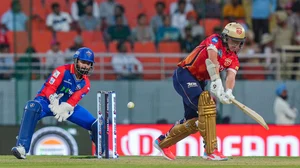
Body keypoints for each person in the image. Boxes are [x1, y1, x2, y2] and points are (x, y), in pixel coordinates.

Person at [153, 22, 246, 161]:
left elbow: (231, 76)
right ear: (225, 37)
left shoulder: (233, 58)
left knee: (192, 121)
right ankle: (211, 151)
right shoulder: (214, 40)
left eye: (239, 43)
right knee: (207, 109)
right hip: (185, 74)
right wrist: (216, 81)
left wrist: (229, 91)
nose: (236, 46)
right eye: (233, 41)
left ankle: (162, 142)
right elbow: (212, 60)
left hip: (200, 82)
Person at [11, 47, 103, 159]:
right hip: (45, 101)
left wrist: (65, 107)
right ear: (76, 60)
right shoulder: (62, 71)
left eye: (88, 63)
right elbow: (49, 88)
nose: (85, 66)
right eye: (83, 62)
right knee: (31, 107)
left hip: (65, 106)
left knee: (96, 124)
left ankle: (102, 152)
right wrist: (52, 99)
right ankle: (22, 148)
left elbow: (73, 101)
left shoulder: (86, 84)